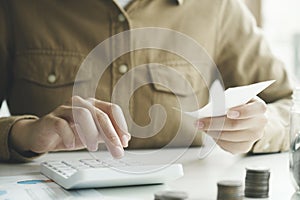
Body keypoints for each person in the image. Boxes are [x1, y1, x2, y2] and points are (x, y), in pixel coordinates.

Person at [0, 0, 293, 162]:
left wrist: (264, 127)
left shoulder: (217, 7)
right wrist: (23, 134)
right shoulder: (16, 8)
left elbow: (290, 102)